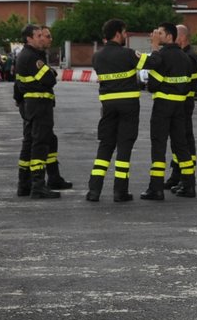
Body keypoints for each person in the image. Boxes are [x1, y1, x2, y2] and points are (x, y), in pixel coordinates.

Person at [86, 18, 146, 203]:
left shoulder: (97, 56)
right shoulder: (128, 54)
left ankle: (94, 190)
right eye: (124, 32)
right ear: (118, 33)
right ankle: (120, 192)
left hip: (108, 107)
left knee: (105, 146)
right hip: (128, 107)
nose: (125, 35)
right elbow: (153, 62)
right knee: (124, 147)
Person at [12, 24, 72, 199]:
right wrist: (50, 73)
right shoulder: (31, 57)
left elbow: (19, 85)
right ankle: (37, 185)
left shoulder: (29, 55)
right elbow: (49, 78)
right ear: (29, 38)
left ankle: (27, 183)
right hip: (39, 104)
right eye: (38, 35)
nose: (41, 38)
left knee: (41, 140)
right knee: (40, 143)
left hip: (32, 104)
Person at [140, 22, 194, 200]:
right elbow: (187, 84)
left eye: (160, 33)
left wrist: (154, 47)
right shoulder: (185, 57)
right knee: (181, 146)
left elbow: (152, 85)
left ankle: (156, 188)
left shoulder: (162, 56)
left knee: (159, 145)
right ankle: (189, 185)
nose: (156, 35)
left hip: (163, 106)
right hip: (180, 106)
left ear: (169, 36)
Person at [166, 24, 197, 193]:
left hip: (184, 103)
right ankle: (177, 175)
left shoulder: (191, 57)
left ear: (181, 37)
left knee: (185, 142)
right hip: (179, 103)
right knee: (177, 142)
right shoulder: (184, 55)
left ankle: (187, 178)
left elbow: (188, 83)